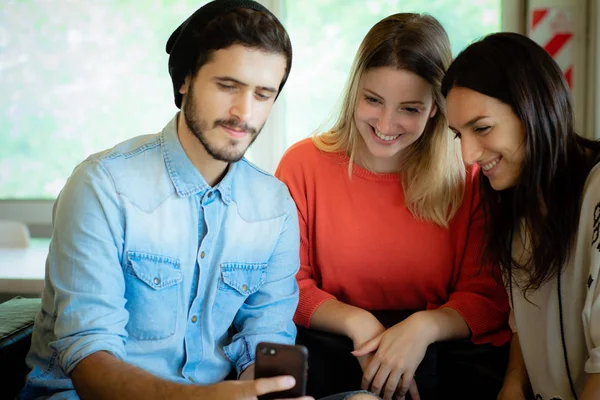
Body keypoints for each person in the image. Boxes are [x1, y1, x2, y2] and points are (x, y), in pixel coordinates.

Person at [19, 2, 378, 399]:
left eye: (263, 94)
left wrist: (269, 390)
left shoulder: (273, 206)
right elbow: (88, 360)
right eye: (228, 86)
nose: (244, 113)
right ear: (186, 79)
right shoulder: (103, 187)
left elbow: (266, 338)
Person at [275, 13, 511, 400]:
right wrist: (359, 323)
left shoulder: (469, 173)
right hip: (331, 353)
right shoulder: (303, 165)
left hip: (442, 361)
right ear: (355, 91)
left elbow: (486, 298)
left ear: (437, 108)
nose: (387, 123)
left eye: (410, 108)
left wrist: (422, 328)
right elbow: (286, 285)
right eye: (373, 100)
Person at [442, 32, 600, 400]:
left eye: (482, 128)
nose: (467, 156)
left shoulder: (595, 191)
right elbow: (523, 323)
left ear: (535, 109)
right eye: (458, 135)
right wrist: (514, 383)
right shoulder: (515, 206)